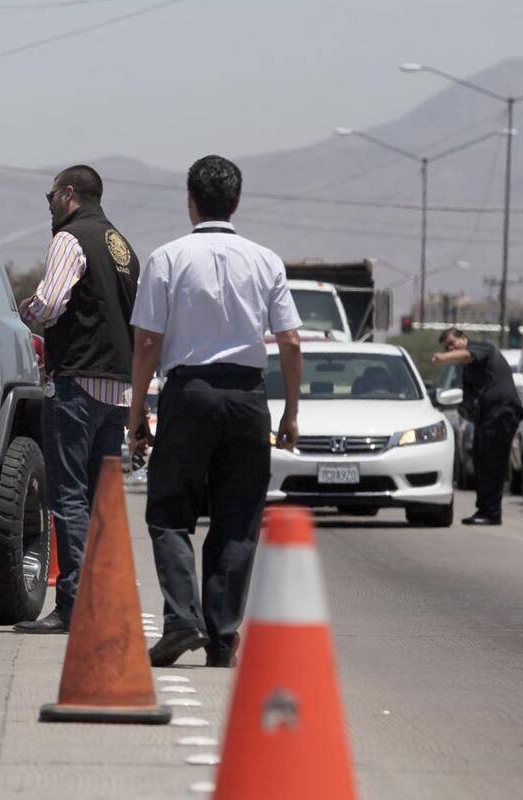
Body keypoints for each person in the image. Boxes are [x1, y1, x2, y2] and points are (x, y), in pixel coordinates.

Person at [127, 154, 302, 668]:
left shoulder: (167, 257)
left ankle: (183, 619)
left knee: (169, 512)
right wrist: (291, 411)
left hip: (189, 392)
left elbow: (146, 344)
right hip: (248, 397)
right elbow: (289, 340)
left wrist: (136, 412)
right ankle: (223, 637)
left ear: (190, 201)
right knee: (237, 518)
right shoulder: (265, 259)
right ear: (237, 201)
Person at [13, 165, 140, 634]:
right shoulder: (122, 245)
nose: (48, 206)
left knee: (68, 498)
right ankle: (102, 600)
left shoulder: (71, 239)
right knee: (102, 500)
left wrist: (24, 309)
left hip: (79, 385)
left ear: (69, 194)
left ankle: (72, 605)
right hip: (118, 389)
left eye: (50, 197)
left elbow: (49, 305)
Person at [432, 327, 523, 525]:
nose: (450, 348)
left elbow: (466, 354)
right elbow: (468, 399)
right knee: (481, 461)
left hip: (502, 413)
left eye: (452, 343)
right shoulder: (468, 370)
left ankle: (491, 512)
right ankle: (485, 509)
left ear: (463, 339)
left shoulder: (482, 348)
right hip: (487, 417)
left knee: (493, 463)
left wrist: (443, 358)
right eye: (447, 347)